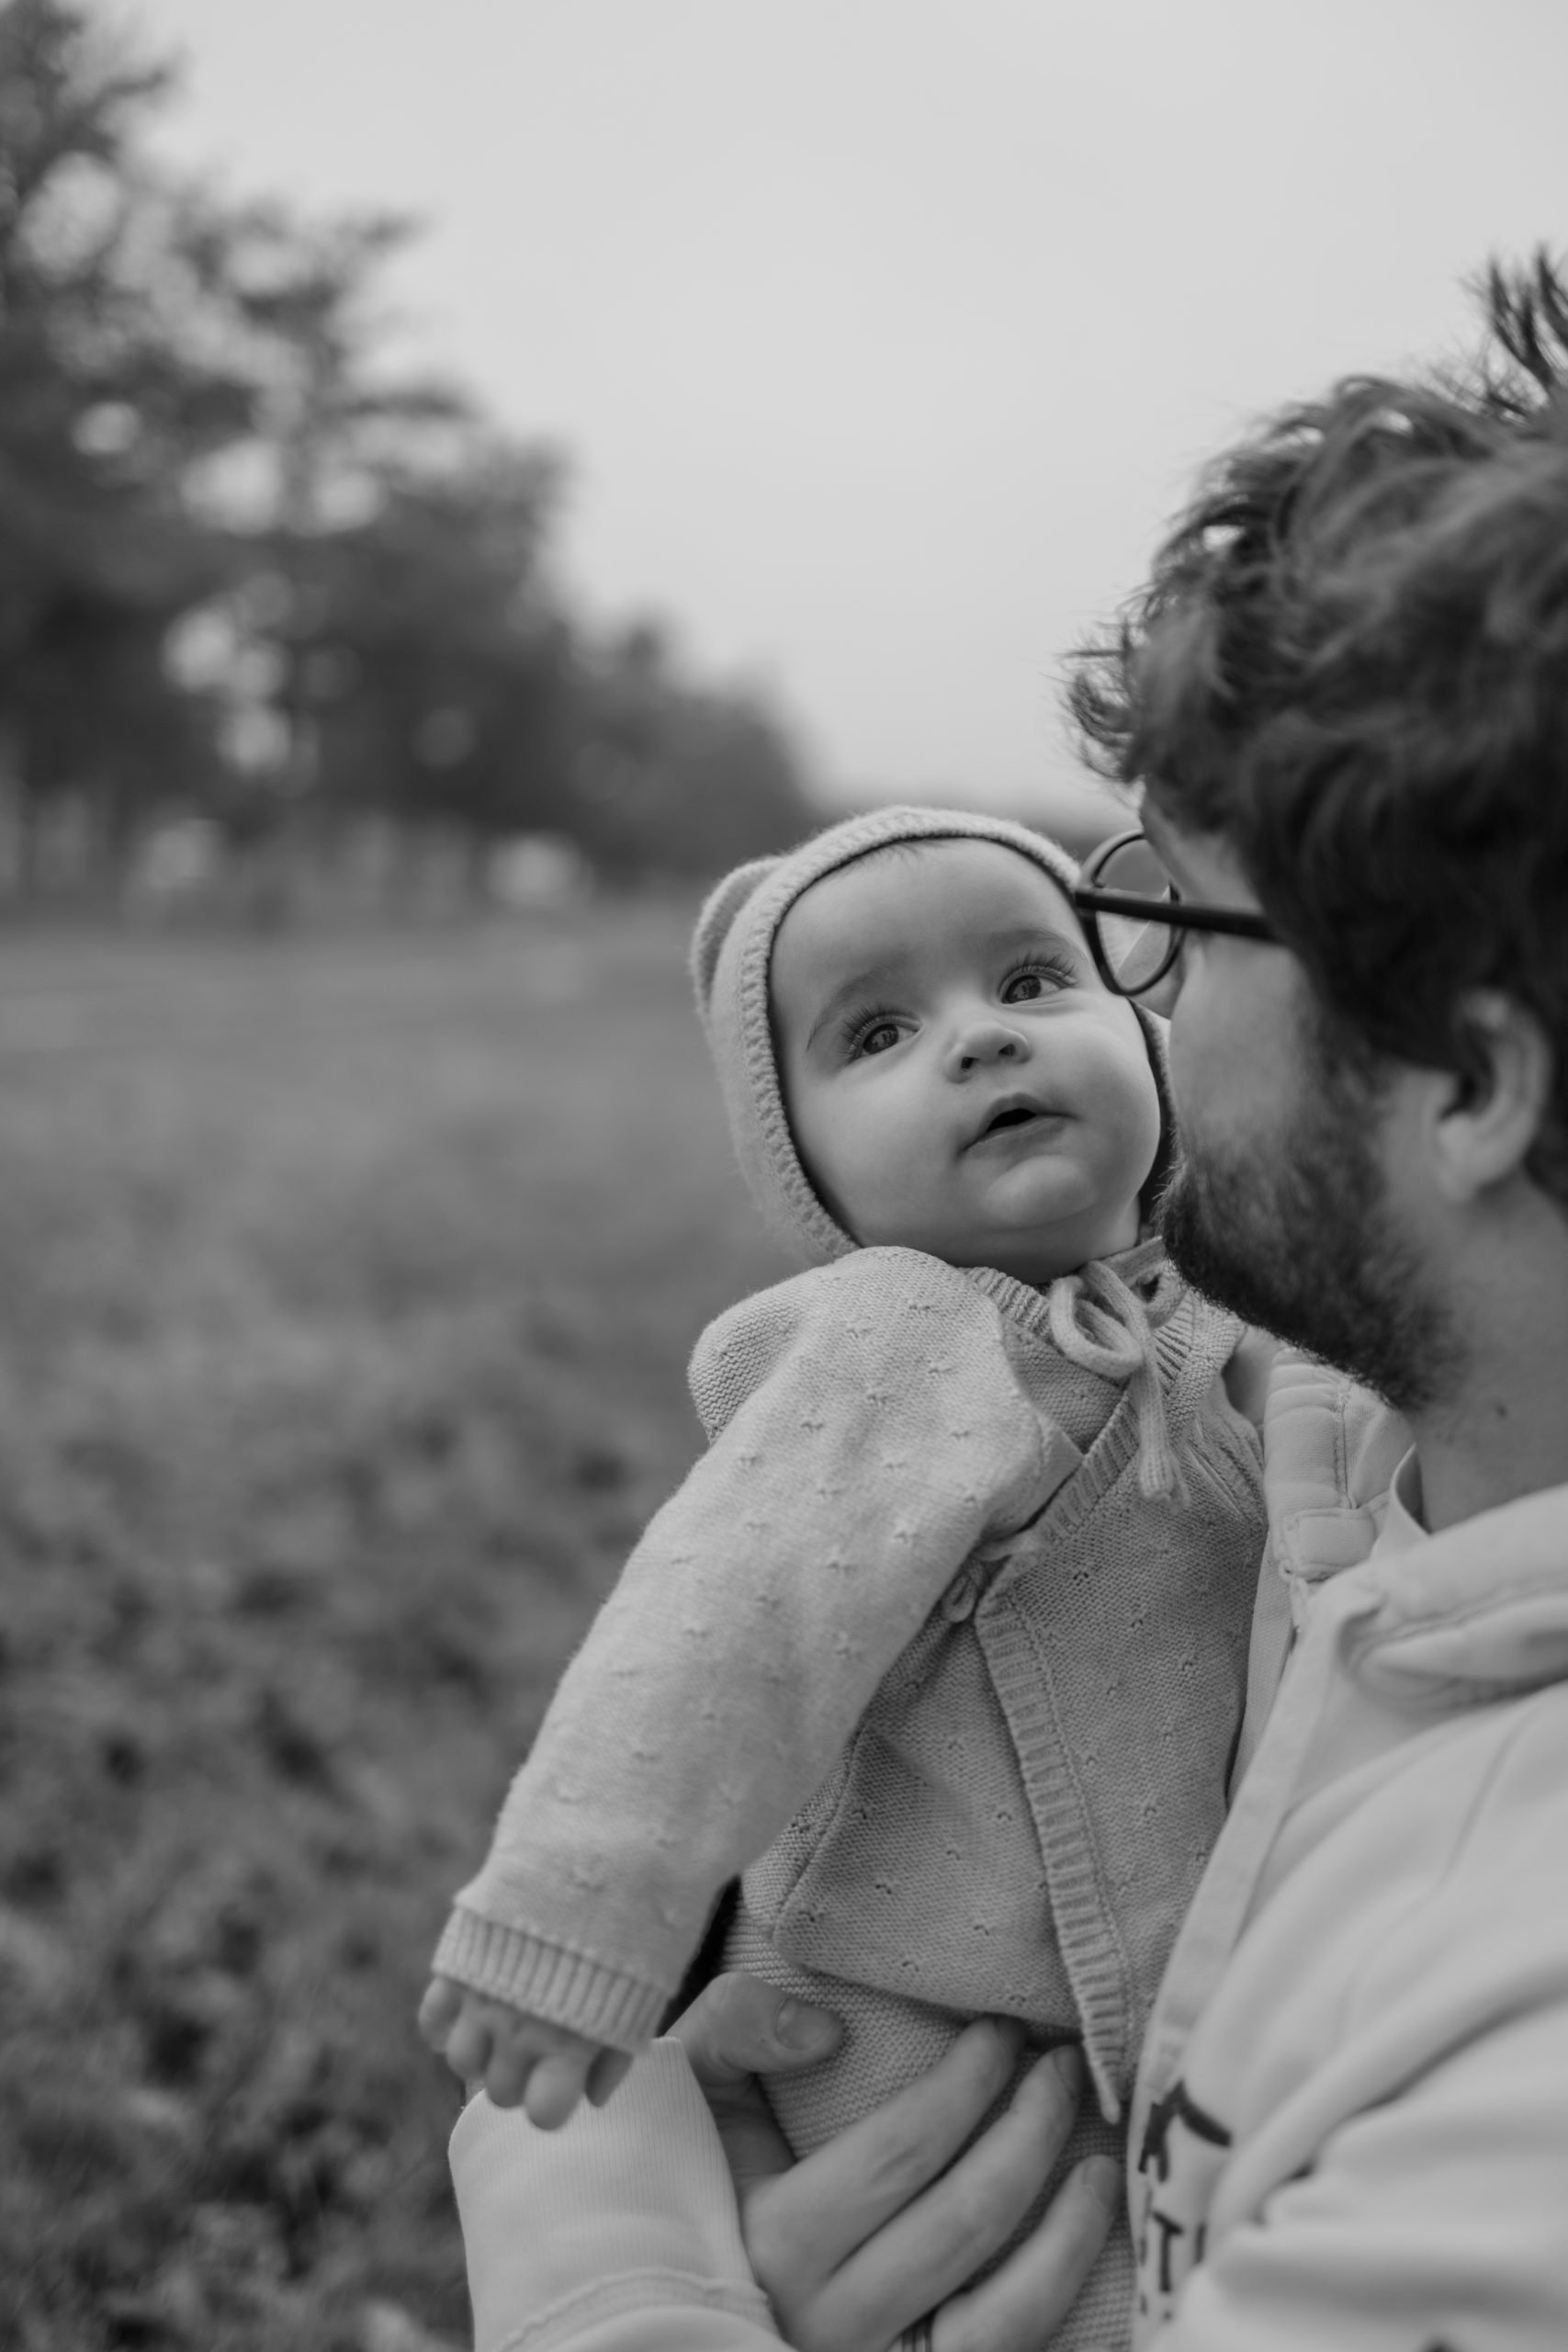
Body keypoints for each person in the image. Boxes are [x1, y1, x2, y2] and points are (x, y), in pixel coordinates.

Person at [446, 252, 1568, 2350]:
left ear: (1479, 1081)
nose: (1089, 1008)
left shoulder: (1512, 2101)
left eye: (1152, 926)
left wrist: (620, 2281)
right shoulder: (1405, 1444)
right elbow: (723, 1641)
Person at [421, 800, 1269, 2349]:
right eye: (879, 1032)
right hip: (908, 2017)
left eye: (1029, 984)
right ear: (801, 1165)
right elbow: (727, 1627)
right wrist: (577, 1916)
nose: (979, 1042)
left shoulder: (1214, 1319)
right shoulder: (894, 1335)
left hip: (1162, 2012)